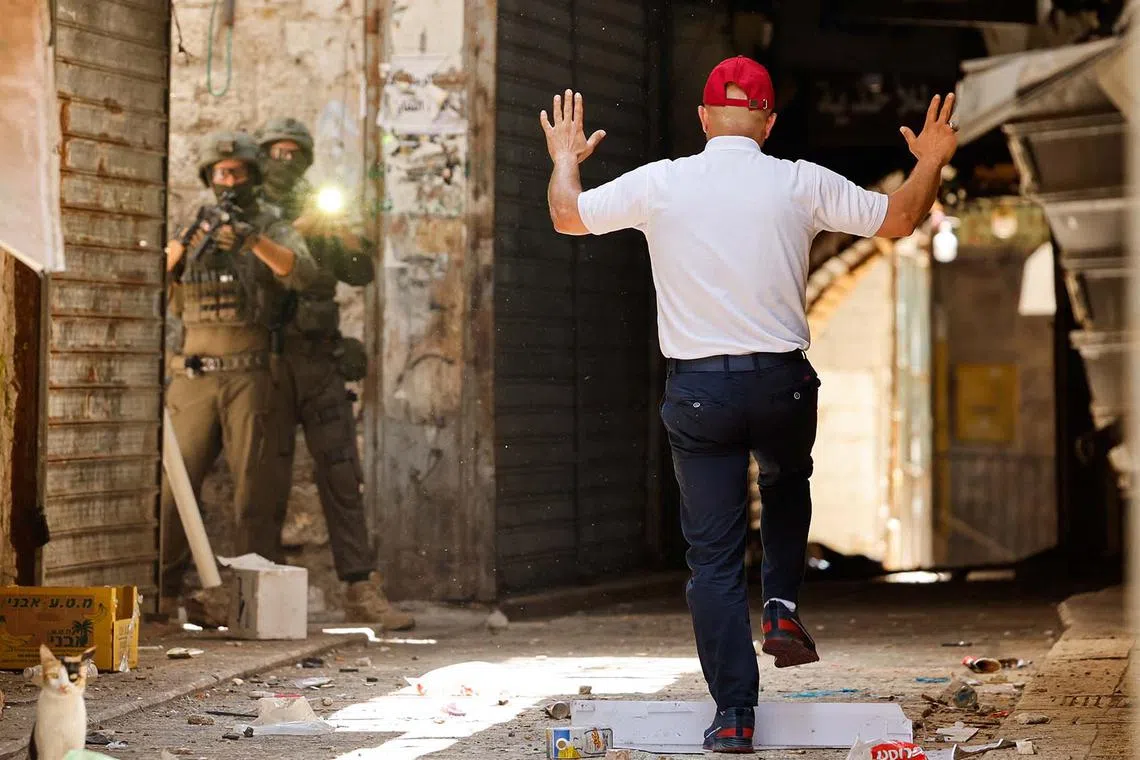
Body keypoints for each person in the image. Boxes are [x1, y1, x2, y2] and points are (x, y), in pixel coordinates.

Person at [540, 56, 958, 753]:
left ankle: (734, 715)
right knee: (788, 476)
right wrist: (933, 159)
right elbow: (901, 217)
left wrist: (564, 159)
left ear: (703, 120)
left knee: (712, 560)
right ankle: (784, 605)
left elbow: (567, 217)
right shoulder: (799, 180)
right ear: (769, 122)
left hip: (700, 393)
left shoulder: (663, 183)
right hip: (780, 385)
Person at [254, 117, 414, 630]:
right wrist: (292, 233)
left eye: (293, 152)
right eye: (275, 152)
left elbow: (359, 272)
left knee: (343, 476)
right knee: (261, 482)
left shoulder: (314, 204)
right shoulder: (250, 211)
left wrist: (338, 229)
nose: (284, 161)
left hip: (319, 363)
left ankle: (360, 590)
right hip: (269, 364)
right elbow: (248, 275)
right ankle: (256, 598)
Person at [161, 130, 318, 621]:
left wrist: (252, 241)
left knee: (256, 495)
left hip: (251, 376)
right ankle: (161, 595)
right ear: (209, 178)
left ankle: (254, 603)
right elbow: (156, 276)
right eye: (221, 173)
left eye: (238, 172)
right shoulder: (194, 226)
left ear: (251, 176)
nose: (228, 181)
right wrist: (186, 243)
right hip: (193, 377)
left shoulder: (270, 224)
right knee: (172, 492)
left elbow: (301, 272)